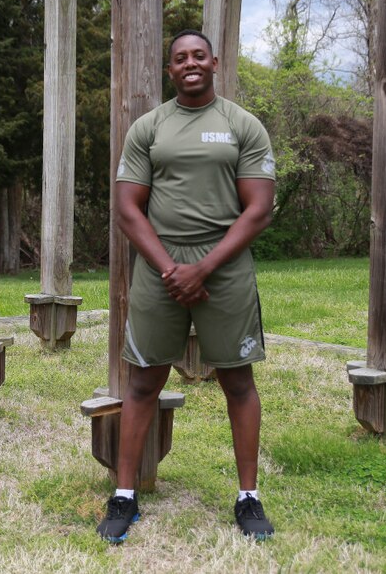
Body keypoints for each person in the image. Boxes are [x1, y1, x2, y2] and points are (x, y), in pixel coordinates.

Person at [97, 29, 276, 543]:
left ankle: (248, 498)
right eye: (180, 58)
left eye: (199, 55)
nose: (191, 63)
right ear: (169, 69)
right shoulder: (149, 128)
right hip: (159, 267)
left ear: (214, 62)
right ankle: (124, 496)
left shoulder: (242, 125)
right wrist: (171, 269)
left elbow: (258, 208)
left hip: (226, 268)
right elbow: (129, 207)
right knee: (142, 382)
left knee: (237, 381)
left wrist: (204, 268)